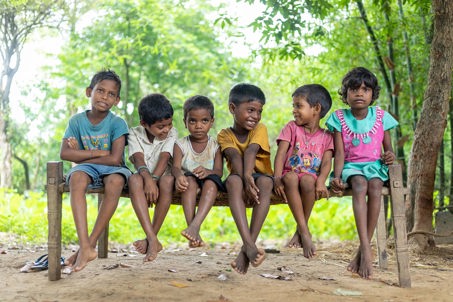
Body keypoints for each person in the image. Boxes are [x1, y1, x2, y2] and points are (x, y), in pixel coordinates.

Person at [326, 67, 398, 279]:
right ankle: (367, 248)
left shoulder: (381, 116)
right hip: (351, 167)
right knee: (359, 184)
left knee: (375, 185)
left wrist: (390, 156)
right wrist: (336, 176)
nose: (359, 93)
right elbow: (339, 152)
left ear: (372, 95)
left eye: (365, 89)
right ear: (345, 94)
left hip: (375, 165)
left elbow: (389, 149)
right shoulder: (338, 117)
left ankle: (362, 250)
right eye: (354, 89)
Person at [60, 69, 132, 272]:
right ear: (89, 91)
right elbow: (65, 153)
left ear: (117, 100)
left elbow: (115, 158)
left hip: (114, 169)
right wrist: (99, 152)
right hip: (88, 168)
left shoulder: (118, 123)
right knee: (77, 179)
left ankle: (87, 247)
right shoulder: (76, 121)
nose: (105, 97)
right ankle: (85, 245)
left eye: (111, 94)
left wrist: (81, 153)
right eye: (100, 91)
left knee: (116, 182)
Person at [217, 83, 273, 274]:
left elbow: (251, 150)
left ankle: (247, 248)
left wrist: (250, 176)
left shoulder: (260, 128)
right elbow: (234, 156)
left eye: (259, 111)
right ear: (233, 108)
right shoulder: (224, 134)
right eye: (250, 110)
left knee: (266, 182)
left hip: (259, 176)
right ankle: (249, 245)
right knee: (233, 181)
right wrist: (245, 178)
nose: (255, 116)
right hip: (238, 177)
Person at [273, 84, 334, 258]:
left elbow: (327, 163)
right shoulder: (292, 128)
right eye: (293, 106)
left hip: (310, 177)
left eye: (298, 106)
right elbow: (281, 154)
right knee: (292, 178)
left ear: (316, 108)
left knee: (308, 180)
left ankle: (300, 230)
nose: (294, 110)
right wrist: (277, 178)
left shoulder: (327, 136)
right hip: (288, 174)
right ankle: (305, 233)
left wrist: (321, 181)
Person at [127, 93, 177, 262]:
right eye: (161, 126)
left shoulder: (172, 133)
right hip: (142, 175)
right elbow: (137, 159)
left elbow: (164, 157)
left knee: (167, 181)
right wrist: (148, 181)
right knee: (134, 180)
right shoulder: (134, 133)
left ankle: (150, 239)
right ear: (144, 124)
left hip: (163, 177)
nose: (166, 129)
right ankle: (153, 238)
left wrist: (153, 180)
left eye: (169, 124)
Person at [172, 95, 223, 248]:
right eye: (193, 121)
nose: (198, 126)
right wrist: (179, 175)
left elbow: (219, 171)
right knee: (190, 182)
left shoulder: (215, 145)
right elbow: (175, 166)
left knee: (211, 184)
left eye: (204, 121)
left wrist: (208, 171)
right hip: (189, 180)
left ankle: (194, 227)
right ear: (185, 122)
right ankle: (192, 228)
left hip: (209, 180)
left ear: (211, 122)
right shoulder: (181, 144)